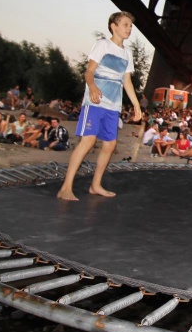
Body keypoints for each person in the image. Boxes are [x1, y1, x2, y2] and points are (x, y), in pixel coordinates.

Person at [57, 12, 142, 200]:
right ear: (114, 26)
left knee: (110, 144)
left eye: (130, 26)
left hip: (113, 104)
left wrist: (136, 104)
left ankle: (96, 185)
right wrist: (93, 87)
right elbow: (89, 72)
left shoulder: (127, 53)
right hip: (95, 102)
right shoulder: (103, 45)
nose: (129, 29)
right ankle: (66, 187)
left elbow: (126, 81)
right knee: (87, 141)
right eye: (126, 25)